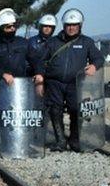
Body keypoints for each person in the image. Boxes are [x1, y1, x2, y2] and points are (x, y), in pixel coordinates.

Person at [41, 8, 102, 151]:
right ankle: (60, 141)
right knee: (55, 111)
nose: (71, 27)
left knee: (76, 110)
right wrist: (39, 75)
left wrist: (94, 65)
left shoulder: (87, 42)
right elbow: (40, 60)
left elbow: (99, 58)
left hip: (75, 83)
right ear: (63, 25)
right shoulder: (52, 42)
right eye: (68, 24)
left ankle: (74, 140)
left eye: (74, 25)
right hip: (54, 82)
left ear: (80, 26)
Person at [0, 11, 41, 88]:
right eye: (8, 27)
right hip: (0, 86)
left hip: (21, 85)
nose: (12, 28)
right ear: (1, 28)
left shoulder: (23, 43)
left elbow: (35, 59)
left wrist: (39, 73)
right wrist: (2, 74)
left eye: (14, 26)